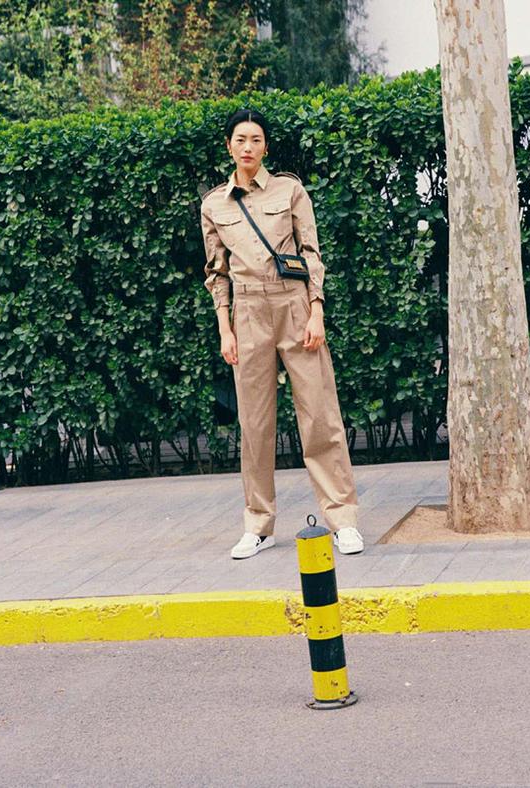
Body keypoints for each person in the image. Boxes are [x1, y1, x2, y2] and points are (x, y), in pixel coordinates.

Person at [200, 107, 364, 559]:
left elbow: (311, 253)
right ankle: (258, 525)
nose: (248, 147)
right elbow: (216, 273)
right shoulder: (214, 204)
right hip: (248, 312)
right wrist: (225, 328)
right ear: (229, 146)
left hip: (294, 306)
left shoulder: (290, 190)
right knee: (254, 424)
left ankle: (343, 520)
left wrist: (316, 311)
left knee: (319, 415)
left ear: (266, 147)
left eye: (256, 139)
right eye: (240, 139)